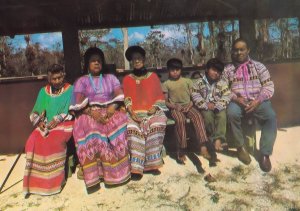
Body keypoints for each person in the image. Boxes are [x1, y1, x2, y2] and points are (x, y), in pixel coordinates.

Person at [70, 47, 130, 193]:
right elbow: (76, 103)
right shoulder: (81, 81)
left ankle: (115, 173)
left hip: (110, 109)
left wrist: (113, 106)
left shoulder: (111, 78)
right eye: (93, 61)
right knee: (92, 128)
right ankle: (94, 174)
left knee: (119, 124)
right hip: (89, 112)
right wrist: (91, 112)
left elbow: (119, 95)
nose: (96, 63)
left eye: (99, 60)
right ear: (87, 64)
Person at [223, 38, 277, 172]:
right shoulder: (228, 69)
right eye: (236, 50)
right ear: (232, 52)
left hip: (258, 101)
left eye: (242, 49)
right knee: (231, 113)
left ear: (248, 50)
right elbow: (222, 89)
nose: (239, 52)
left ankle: (265, 153)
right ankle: (240, 148)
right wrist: (235, 98)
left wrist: (258, 100)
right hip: (238, 102)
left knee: (270, 117)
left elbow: (268, 86)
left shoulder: (259, 66)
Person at [23, 64, 74, 196]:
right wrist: (39, 121)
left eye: (59, 78)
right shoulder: (43, 91)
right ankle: (36, 184)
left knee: (53, 142)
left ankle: (53, 183)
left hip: (64, 123)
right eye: (54, 79)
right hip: (45, 124)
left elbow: (73, 110)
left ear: (63, 76)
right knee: (32, 141)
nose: (57, 81)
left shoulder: (70, 89)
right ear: (49, 79)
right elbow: (36, 110)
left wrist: (58, 118)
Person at [123, 45, 168, 179]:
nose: (136, 61)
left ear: (143, 59)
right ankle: (137, 167)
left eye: (139, 58)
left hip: (152, 112)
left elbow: (159, 96)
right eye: (134, 59)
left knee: (158, 124)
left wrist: (155, 107)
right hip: (134, 113)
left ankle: (152, 163)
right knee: (131, 128)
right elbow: (127, 98)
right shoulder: (127, 79)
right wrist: (131, 112)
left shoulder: (153, 77)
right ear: (131, 61)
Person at [162, 58, 216, 165]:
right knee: (180, 120)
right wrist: (174, 106)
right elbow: (165, 101)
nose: (175, 72)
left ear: (181, 70)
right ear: (168, 70)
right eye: (172, 70)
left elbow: (194, 97)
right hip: (176, 108)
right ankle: (181, 149)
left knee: (198, 117)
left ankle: (203, 146)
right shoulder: (166, 83)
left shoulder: (187, 81)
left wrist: (190, 105)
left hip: (189, 106)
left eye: (177, 69)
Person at [191, 58, 230, 151]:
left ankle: (219, 138)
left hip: (218, 106)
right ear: (207, 69)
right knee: (207, 116)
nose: (216, 73)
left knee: (222, 116)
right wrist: (205, 105)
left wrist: (218, 105)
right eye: (214, 70)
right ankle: (213, 138)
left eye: (219, 72)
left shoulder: (222, 83)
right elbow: (195, 95)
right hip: (205, 107)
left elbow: (227, 95)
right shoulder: (198, 82)